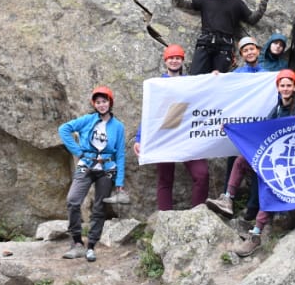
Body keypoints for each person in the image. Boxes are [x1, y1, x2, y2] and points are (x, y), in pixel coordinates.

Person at [233, 69, 295, 256]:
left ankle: (256, 233)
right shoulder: (276, 110)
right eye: (282, 85)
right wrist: (233, 129)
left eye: (288, 85)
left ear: (294, 87)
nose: (285, 89)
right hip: (278, 157)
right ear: (278, 88)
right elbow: (262, 131)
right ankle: (227, 198)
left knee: (272, 183)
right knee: (241, 160)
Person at [134, 45, 210, 210]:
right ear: (165, 60)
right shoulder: (158, 85)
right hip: (164, 135)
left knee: (202, 174)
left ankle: (197, 215)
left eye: (177, 58)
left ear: (182, 60)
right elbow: (149, 114)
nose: (174, 61)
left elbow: (207, 96)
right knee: (165, 179)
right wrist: (140, 138)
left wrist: (215, 78)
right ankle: (165, 219)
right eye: (171, 58)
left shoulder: (190, 83)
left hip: (187, 135)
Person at [58, 86, 126, 262]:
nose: (101, 105)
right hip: (85, 164)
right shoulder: (87, 120)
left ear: (110, 103)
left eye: (104, 101)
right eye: (98, 102)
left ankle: (91, 246)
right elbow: (64, 129)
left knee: (99, 207)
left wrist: (119, 180)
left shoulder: (118, 126)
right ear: (94, 104)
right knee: (73, 200)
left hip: (107, 168)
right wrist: (77, 151)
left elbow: (120, 154)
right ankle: (76, 242)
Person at [171, 0, 272, 75]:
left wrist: (264, 0)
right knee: (195, 77)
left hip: (224, 47)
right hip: (205, 44)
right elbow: (181, 3)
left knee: (219, 80)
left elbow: (253, 19)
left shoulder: (236, 2)